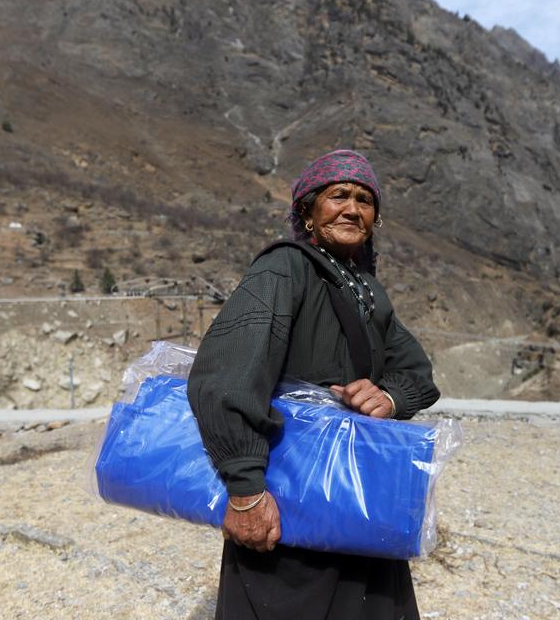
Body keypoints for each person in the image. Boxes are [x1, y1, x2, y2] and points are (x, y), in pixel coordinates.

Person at [187, 149, 441, 620]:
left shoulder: (366, 290)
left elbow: (418, 375)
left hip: (352, 499)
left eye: (365, 200)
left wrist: (387, 395)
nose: (352, 208)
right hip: (286, 496)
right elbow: (225, 374)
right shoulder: (284, 268)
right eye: (338, 195)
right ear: (307, 210)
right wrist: (244, 492)